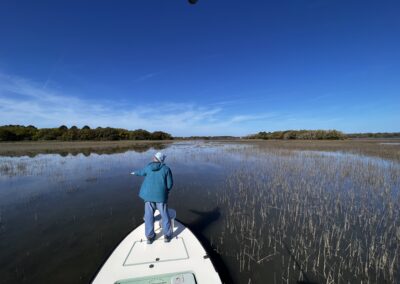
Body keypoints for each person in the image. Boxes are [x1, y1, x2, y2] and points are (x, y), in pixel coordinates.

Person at [131, 152, 173, 244]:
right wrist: (166, 191)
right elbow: (170, 184)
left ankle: (150, 237)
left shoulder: (148, 167)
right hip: (160, 197)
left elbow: (141, 172)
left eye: (154, 157)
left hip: (148, 196)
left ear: (156, 158)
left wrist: (134, 172)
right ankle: (167, 236)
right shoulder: (166, 169)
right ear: (161, 160)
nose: (152, 157)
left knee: (149, 216)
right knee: (165, 216)